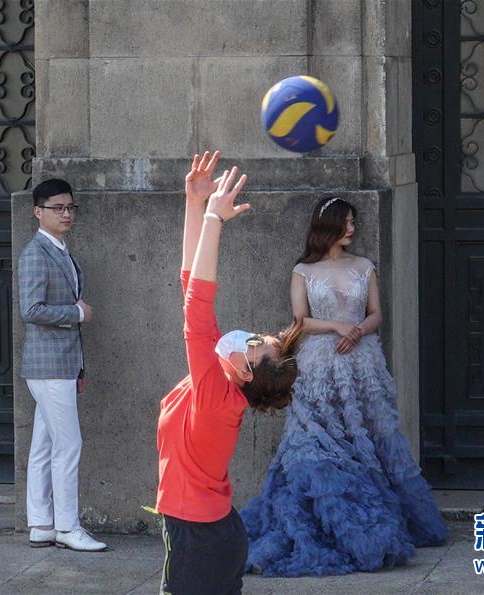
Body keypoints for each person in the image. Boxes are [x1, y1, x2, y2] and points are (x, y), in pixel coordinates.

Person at [241, 196, 448, 577]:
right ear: (328, 226)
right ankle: (327, 518)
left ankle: (394, 517)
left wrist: (359, 330)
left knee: (375, 434)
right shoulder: (303, 270)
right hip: (318, 365)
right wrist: (338, 327)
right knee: (316, 439)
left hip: (362, 362)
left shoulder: (364, 266)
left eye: (354, 222)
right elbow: (300, 321)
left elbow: (377, 314)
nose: (352, 228)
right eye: (346, 222)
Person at [156, 151, 304, 595]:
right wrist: (195, 204)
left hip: (198, 538)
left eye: (256, 344)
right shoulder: (223, 379)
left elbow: (196, 307)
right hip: (209, 533)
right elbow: (190, 286)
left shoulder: (216, 396)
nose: (251, 336)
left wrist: (215, 219)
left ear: (246, 371)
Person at [18, 178, 106, 552]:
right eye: (58, 208)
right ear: (38, 212)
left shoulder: (60, 249)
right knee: (69, 445)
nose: (66, 213)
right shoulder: (35, 253)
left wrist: (79, 368)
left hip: (61, 365)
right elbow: (31, 309)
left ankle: (41, 524)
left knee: (44, 445)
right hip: (48, 366)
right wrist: (76, 312)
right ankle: (68, 527)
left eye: (70, 207)